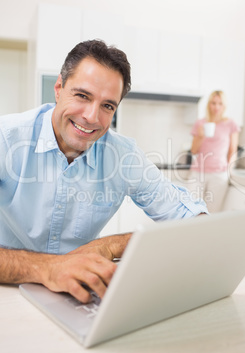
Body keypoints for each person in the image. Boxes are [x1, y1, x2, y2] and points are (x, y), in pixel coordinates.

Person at [0, 39, 207, 303]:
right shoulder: (6, 139)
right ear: (59, 88)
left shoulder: (123, 155)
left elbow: (196, 223)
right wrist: (47, 268)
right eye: (82, 96)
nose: (91, 117)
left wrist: (113, 245)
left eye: (107, 106)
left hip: (79, 297)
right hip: (8, 294)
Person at [188, 90, 240, 213]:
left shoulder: (231, 124)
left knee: (212, 212)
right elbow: (194, 150)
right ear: (208, 104)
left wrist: (230, 169)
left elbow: (233, 150)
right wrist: (201, 136)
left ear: (224, 106)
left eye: (220, 103)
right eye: (213, 103)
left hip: (219, 174)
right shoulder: (200, 123)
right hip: (198, 173)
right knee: (191, 210)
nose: (216, 107)